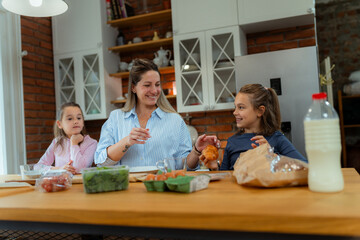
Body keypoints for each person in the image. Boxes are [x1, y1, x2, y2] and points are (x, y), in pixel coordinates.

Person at [94, 58, 219, 169]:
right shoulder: (116, 118)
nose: (154, 91)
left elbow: (185, 166)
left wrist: (196, 151)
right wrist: (127, 141)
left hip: (164, 190)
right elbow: (101, 162)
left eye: (157, 85)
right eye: (147, 85)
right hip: (128, 192)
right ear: (133, 87)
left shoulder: (175, 120)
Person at [204, 84, 306, 170]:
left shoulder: (277, 138)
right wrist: (214, 167)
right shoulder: (232, 142)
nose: (235, 112)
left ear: (260, 111)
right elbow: (225, 178)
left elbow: (306, 167)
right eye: (235, 107)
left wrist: (272, 156)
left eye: (241, 107)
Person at [34, 102, 97, 174]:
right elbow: (37, 167)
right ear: (59, 124)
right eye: (70, 119)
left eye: (79, 118)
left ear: (82, 122)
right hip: (60, 183)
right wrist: (59, 169)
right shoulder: (56, 142)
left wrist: (74, 143)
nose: (76, 121)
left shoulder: (91, 143)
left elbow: (80, 169)